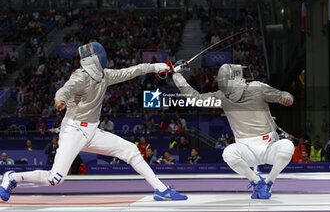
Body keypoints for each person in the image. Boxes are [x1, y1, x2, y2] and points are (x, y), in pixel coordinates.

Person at [0, 42, 187, 202]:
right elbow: (65, 89)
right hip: (73, 131)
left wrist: (160, 66)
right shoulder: (80, 76)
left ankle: (161, 190)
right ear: (92, 59)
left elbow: (133, 70)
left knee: (130, 150)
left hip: (91, 132)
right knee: (55, 178)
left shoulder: (104, 76)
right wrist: (60, 100)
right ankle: (13, 177)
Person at [173, 64, 294, 199]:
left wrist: (287, 98)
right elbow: (195, 98)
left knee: (287, 147)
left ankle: (269, 182)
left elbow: (281, 94)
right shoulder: (222, 96)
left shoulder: (257, 88)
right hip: (246, 149)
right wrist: (177, 77)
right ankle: (256, 182)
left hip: (268, 145)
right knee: (228, 153)